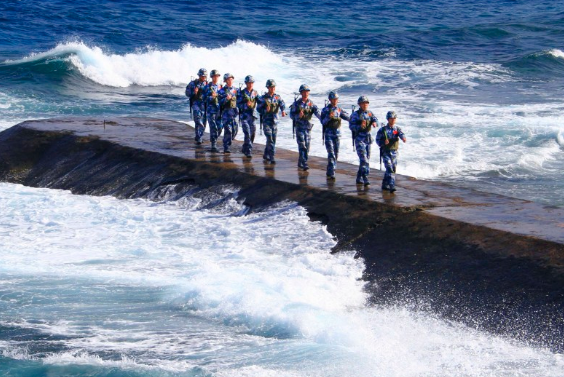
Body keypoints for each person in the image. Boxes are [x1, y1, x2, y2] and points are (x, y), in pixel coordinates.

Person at [349, 96, 379, 186]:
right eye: (363, 103)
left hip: (368, 139)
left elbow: (376, 120)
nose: (365, 105)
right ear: (359, 104)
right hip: (359, 139)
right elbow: (351, 127)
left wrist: (374, 123)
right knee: (364, 159)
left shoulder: (369, 113)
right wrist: (360, 126)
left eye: (366, 103)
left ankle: (359, 177)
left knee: (366, 159)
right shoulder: (355, 115)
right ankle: (365, 177)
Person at [290, 84, 321, 170]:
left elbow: (317, 112)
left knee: (307, 146)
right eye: (304, 92)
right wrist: (298, 116)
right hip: (299, 127)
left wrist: (322, 119)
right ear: (301, 93)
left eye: (307, 92)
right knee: (302, 145)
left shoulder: (311, 103)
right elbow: (291, 115)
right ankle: (304, 163)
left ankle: (301, 161)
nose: (305, 93)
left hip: (307, 127)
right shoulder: (296, 104)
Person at [320, 91, 350, 179]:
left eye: (336, 99)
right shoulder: (325, 110)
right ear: (330, 100)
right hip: (328, 134)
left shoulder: (339, 109)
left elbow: (347, 117)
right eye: (333, 99)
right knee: (331, 153)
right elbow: (323, 122)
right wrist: (329, 117)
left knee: (336, 153)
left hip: (337, 134)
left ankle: (330, 169)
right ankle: (332, 171)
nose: (335, 101)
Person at [376, 111, 407, 193]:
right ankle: (392, 185)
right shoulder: (383, 130)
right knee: (389, 168)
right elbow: (377, 140)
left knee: (393, 168)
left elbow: (401, 134)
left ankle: (385, 183)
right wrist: (383, 142)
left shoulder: (396, 129)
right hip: (385, 152)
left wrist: (403, 138)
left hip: (394, 152)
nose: (393, 120)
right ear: (388, 119)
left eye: (394, 119)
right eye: (391, 119)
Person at [257, 79, 286, 163]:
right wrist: (265, 110)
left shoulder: (277, 97)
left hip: (275, 122)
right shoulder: (263, 98)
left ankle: (266, 154)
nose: (272, 88)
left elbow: (282, 104)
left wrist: (283, 110)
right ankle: (272, 156)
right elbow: (258, 109)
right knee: (270, 139)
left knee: (273, 139)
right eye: (271, 87)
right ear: (268, 88)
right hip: (267, 121)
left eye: (273, 87)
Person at [237, 75, 259, 157]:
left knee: (252, 133)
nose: (250, 84)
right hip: (244, 116)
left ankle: (245, 147)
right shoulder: (242, 93)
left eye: (252, 83)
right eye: (249, 83)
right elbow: (238, 104)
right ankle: (248, 151)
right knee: (247, 133)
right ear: (246, 83)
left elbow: (260, 102)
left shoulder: (255, 93)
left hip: (252, 116)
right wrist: (245, 105)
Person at [185, 68, 208, 144]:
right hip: (196, 104)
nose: (203, 77)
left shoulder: (208, 84)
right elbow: (187, 93)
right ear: (199, 75)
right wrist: (194, 92)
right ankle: (199, 138)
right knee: (198, 120)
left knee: (204, 122)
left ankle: (198, 136)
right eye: (202, 76)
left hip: (205, 105)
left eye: (205, 76)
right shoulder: (193, 84)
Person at [218, 73, 239, 154]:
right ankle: (226, 146)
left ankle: (229, 140)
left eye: (231, 79)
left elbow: (240, 100)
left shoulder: (236, 90)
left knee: (235, 130)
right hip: (226, 113)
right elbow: (220, 102)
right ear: (225, 81)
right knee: (228, 130)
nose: (230, 81)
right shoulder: (222, 91)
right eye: (228, 79)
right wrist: (226, 99)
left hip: (235, 113)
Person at [204, 69, 223, 152]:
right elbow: (204, 98)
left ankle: (213, 140)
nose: (216, 78)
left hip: (219, 110)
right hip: (211, 110)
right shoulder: (207, 87)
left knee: (220, 128)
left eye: (217, 76)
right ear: (211, 77)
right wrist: (212, 97)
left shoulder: (221, 87)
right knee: (213, 127)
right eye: (214, 76)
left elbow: (223, 97)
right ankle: (213, 145)